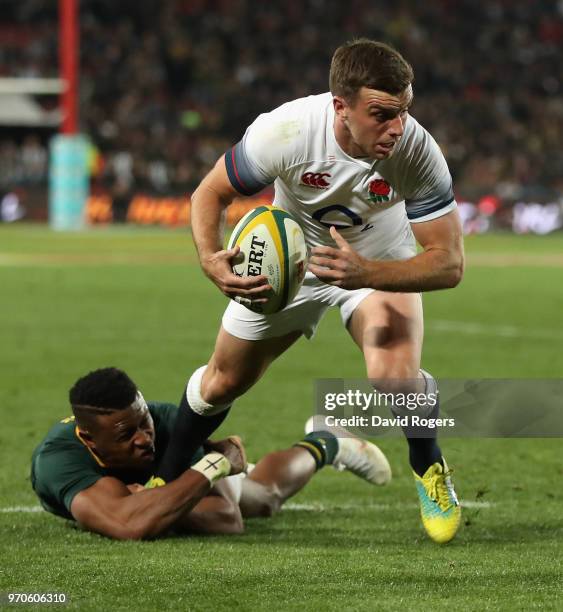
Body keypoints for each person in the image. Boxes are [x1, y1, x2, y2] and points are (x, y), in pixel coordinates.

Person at [157, 39, 464, 544]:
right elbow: (210, 192)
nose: (398, 127)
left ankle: (429, 468)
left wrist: (365, 272)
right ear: (340, 107)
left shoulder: (415, 150)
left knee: (394, 379)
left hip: (377, 262)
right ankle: (163, 478)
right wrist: (210, 258)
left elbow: (449, 263)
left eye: (405, 111)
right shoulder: (288, 132)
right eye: (382, 113)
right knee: (221, 382)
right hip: (292, 262)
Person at [31, 367, 391, 540]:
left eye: (144, 422)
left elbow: (227, 519)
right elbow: (128, 522)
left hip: (205, 473)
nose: (145, 438)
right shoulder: (60, 459)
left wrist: (213, 465)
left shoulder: (170, 423)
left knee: (262, 499)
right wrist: (154, 503)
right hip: (186, 480)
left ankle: (326, 442)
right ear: (91, 442)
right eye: (127, 434)